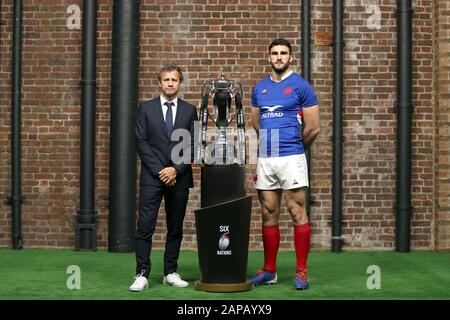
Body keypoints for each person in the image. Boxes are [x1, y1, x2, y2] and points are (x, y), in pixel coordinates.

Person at [250, 39, 320, 290]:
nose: (279, 57)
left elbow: (313, 127)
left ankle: (301, 271)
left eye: (283, 53)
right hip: (266, 158)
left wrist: (294, 147)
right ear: (268, 56)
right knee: (268, 211)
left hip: (292, 156)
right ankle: (269, 271)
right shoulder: (260, 88)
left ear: (290, 56)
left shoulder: (301, 86)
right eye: (275, 53)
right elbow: (257, 124)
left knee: (296, 210)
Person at [129, 64, 198, 291]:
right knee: (145, 227)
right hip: (152, 177)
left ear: (180, 83)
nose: (170, 83)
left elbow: (193, 143)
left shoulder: (189, 110)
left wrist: (176, 169)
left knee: (175, 227)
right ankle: (141, 274)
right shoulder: (146, 109)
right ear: (159, 82)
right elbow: (141, 142)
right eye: (166, 79)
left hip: (179, 177)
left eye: (174, 80)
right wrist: (162, 170)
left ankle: (170, 271)